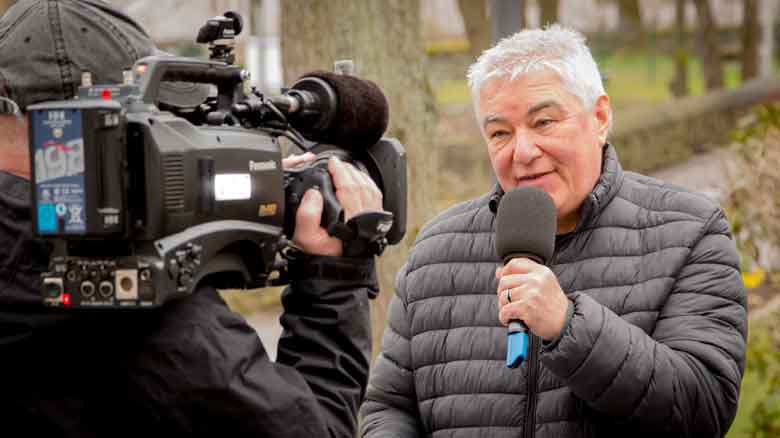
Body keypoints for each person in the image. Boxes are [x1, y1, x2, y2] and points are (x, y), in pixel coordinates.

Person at [0, 1, 383, 436]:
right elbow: (316, 430)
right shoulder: (129, 301)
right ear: (85, 126)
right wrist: (334, 280)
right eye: (147, 126)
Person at [361, 25, 747, 437]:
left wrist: (568, 325)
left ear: (599, 118)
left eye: (543, 122)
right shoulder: (437, 248)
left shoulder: (690, 231)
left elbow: (704, 407)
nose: (523, 152)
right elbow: (390, 406)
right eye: (500, 133)